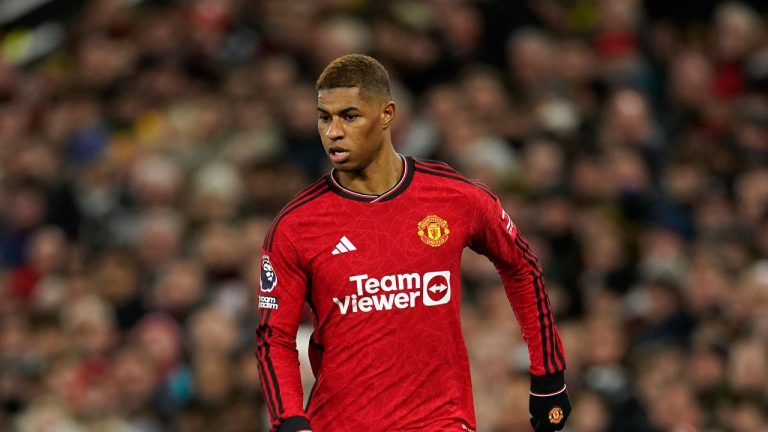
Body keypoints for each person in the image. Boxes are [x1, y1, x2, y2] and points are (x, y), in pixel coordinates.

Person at [255, 54, 571, 432]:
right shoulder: (296, 225)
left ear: (387, 114)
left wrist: (548, 374)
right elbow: (274, 337)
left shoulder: (454, 197)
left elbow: (522, 267)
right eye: (325, 117)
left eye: (350, 116)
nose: (333, 132)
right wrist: (289, 421)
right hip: (340, 422)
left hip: (442, 421)